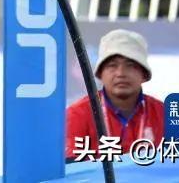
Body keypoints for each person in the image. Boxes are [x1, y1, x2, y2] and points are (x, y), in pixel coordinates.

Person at [65, 28, 165, 160]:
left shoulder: (165, 114)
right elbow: (72, 169)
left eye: (130, 65)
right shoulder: (76, 115)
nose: (120, 73)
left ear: (144, 74)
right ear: (100, 74)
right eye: (112, 65)